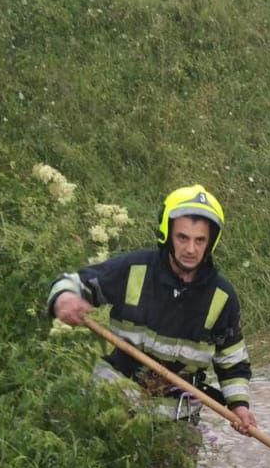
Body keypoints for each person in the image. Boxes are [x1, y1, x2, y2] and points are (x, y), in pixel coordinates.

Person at [48, 184, 258, 436]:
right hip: (114, 401)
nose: (191, 249)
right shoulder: (135, 269)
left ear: (211, 242)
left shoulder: (222, 296)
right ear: (167, 234)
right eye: (182, 238)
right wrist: (64, 297)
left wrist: (239, 405)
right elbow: (75, 282)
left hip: (176, 419)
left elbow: (232, 360)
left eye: (200, 240)